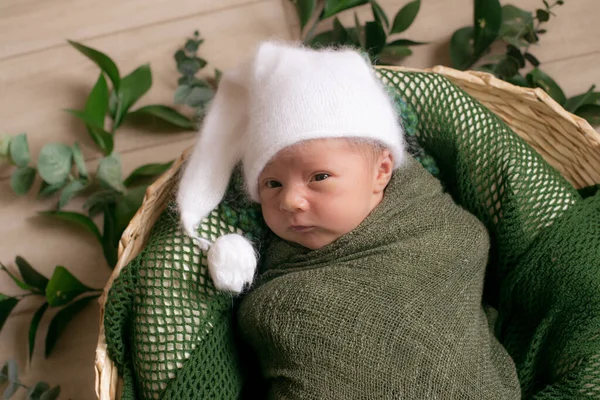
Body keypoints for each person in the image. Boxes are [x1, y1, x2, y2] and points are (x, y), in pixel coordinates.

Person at [176, 40, 521, 399]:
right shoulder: (286, 291)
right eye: (272, 184)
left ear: (382, 172)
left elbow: (463, 244)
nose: (290, 200)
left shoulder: (431, 229)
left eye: (319, 177)